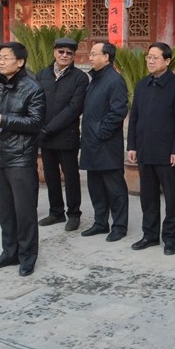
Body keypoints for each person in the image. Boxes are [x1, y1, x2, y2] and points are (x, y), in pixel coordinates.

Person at [0, 42, 45, 277]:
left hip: (20, 157)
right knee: (5, 210)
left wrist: (4, 120)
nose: (1, 61)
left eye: (6, 58)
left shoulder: (33, 88)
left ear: (20, 62)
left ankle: (27, 256)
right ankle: (9, 252)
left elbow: (35, 122)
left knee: (24, 211)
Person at [126, 42, 175, 255]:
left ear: (167, 61)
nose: (150, 61)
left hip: (167, 153)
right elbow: (134, 118)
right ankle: (150, 235)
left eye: (155, 57)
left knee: (172, 198)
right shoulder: (142, 85)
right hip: (145, 150)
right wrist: (132, 145)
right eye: (149, 57)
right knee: (148, 196)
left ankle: (171, 238)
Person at [36, 37, 89, 232]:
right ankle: (56, 212)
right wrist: (40, 127)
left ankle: (74, 214)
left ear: (73, 56)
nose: (64, 56)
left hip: (66, 136)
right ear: (54, 52)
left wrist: (49, 128)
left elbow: (74, 108)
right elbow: (36, 102)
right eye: (61, 52)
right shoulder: (42, 75)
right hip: (45, 136)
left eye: (69, 53)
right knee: (51, 176)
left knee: (71, 177)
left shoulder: (80, 78)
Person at [79, 42, 129, 242]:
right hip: (91, 143)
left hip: (106, 144)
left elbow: (118, 112)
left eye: (94, 54)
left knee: (115, 189)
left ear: (106, 57)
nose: (90, 58)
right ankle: (100, 223)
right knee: (96, 187)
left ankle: (119, 226)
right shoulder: (96, 79)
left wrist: (100, 133)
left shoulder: (114, 80)